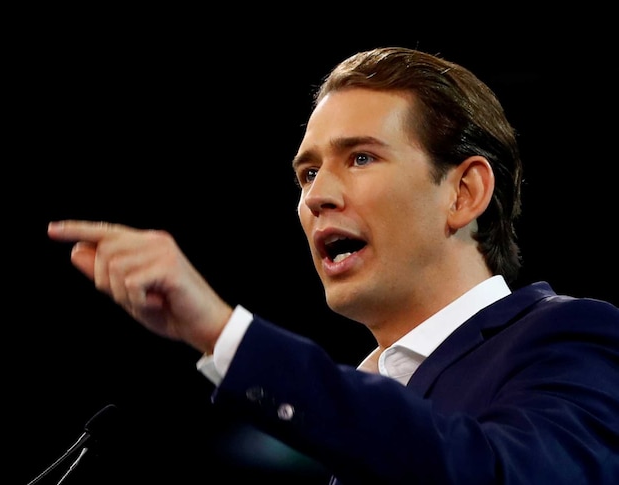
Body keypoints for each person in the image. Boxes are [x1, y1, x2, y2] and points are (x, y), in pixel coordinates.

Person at [46, 46, 619, 484]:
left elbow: (495, 475)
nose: (317, 195)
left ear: (464, 192)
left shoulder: (573, 337)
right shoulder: (362, 404)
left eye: (361, 157)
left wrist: (220, 332)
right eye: (308, 173)